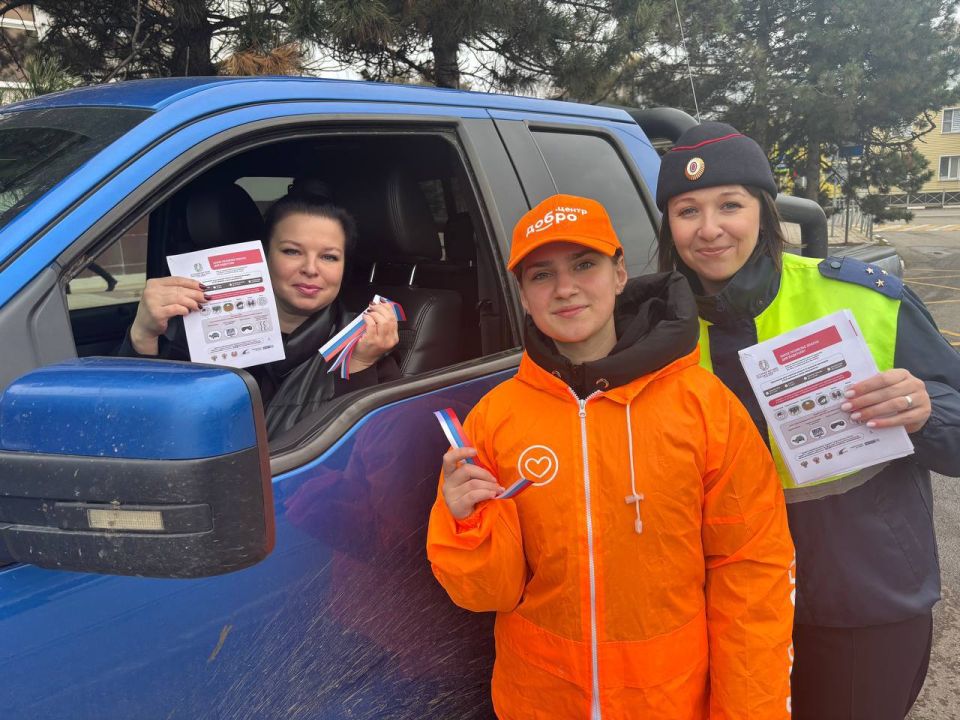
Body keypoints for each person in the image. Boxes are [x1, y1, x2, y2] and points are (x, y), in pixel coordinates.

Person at [426, 193, 795, 719]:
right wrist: (465, 524)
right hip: (539, 700)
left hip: (670, 702)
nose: (566, 289)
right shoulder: (493, 419)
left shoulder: (704, 405)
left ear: (620, 273)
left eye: (585, 265)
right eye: (540, 275)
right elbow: (488, 594)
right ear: (523, 295)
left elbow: (753, 576)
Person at [655, 121, 960, 720]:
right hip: (727, 608)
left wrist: (927, 413)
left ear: (765, 213)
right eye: (687, 210)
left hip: (862, 604)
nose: (709, 228)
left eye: (730, 206)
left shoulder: (863, 299)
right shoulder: (658, 333)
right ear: (669, 225)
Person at [116, 182, 400, 435]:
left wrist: (359, 367)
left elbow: (372, 457)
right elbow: (137, 426)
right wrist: (142, 335)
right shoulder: (191, 326)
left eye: (329, 257)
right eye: (292, 251)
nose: (311, 269)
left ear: (344, 267)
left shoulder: (367, 342)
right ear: (263, 255)